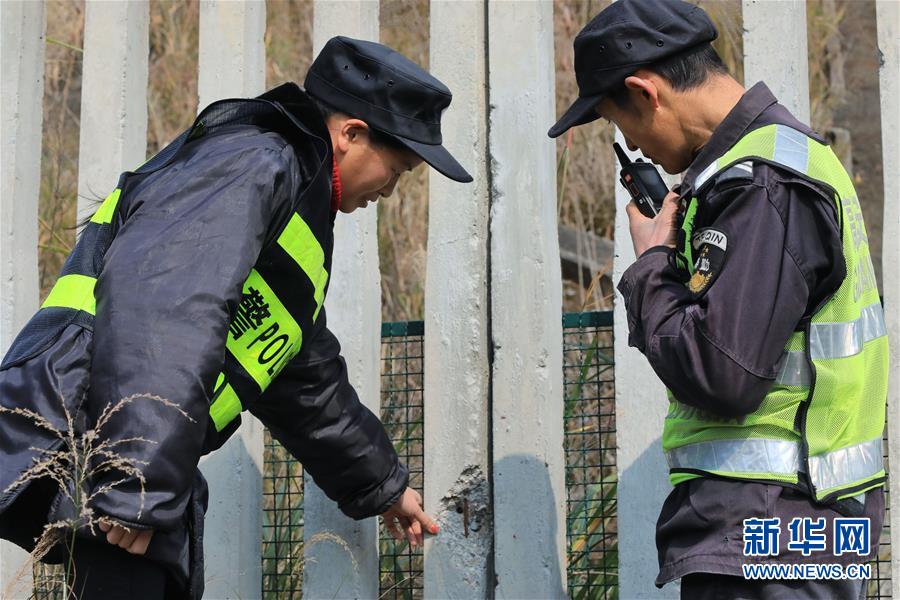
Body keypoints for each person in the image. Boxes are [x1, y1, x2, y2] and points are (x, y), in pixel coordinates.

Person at [0, 36, 472, 599]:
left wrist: (382, 484)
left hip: (121, 439)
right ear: (351, 134)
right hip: (91, 427)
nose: (391, 190)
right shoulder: (251, 162)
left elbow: (299, 373)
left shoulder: (294, 199)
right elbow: (166, 310)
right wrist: (136, 483)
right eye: (396, 169)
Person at [550, 0, 888, 598]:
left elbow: (722, 373)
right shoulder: (778, 166)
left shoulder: (763, 185)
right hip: (800, 528)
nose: (633, 146)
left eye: (617, 122)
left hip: (770, 530)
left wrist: (651, 267)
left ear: (645, 91)